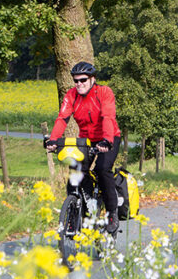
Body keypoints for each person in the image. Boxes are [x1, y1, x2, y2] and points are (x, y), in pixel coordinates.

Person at [44, 61, 122, 235]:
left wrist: (107, 141)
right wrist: (53, 139)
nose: (79, 84)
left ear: (92, 79)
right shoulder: (71, 95)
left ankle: (111, 213)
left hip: (108, 137)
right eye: (76, 80)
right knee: (76, 175)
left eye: (83, 80)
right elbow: (62, 118)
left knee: (103, 169)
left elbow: (108, 117)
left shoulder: (104, 92)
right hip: (86, 141)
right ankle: (76, 216)